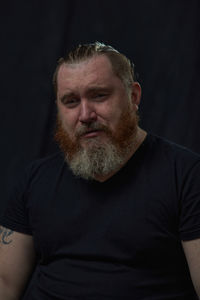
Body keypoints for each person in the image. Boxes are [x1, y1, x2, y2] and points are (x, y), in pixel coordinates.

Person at [0, 42, 200, 300]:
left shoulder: (186, 175)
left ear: (133, 97)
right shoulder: (35, 180)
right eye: (71, 101)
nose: (85, 114)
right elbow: (4, 282)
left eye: (99, 96)